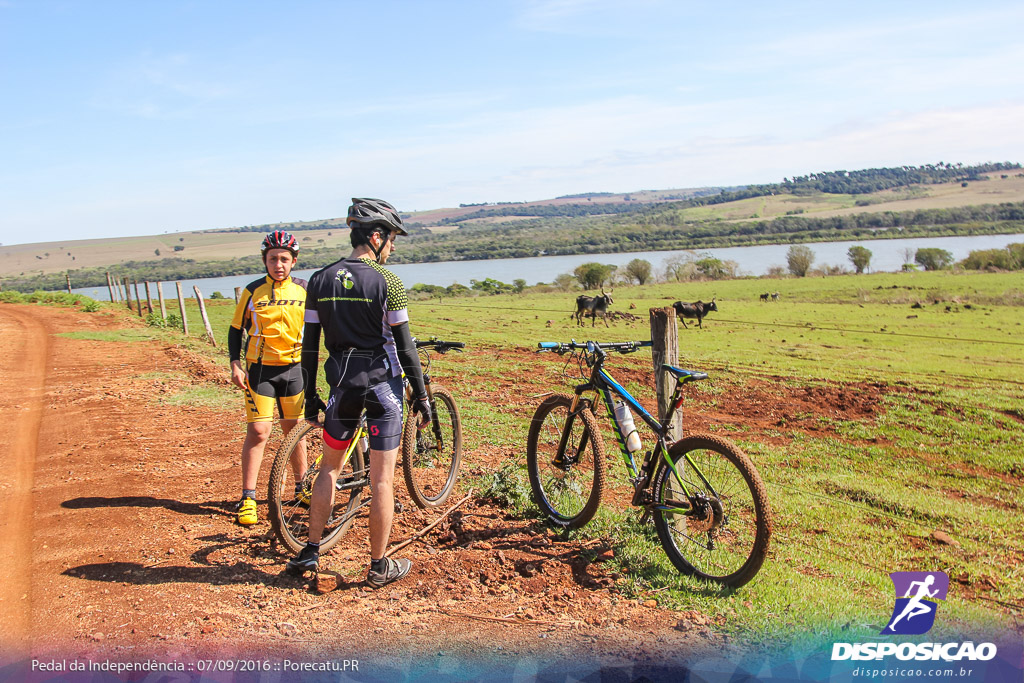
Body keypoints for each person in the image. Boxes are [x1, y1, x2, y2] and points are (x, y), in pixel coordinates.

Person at [288, 198, 430, 587]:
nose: (394, 248)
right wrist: (422, 394)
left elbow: (310, 346)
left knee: (329, 469)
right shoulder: (389, 283)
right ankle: (378, 566)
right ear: (376, 236)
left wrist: (311, 393)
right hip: (383, 389)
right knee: (382, 481)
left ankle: (311, 550)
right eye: (392, 239)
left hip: (341, 388)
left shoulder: (318, 280)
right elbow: (405, 348)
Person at [227, 231, 308, 526]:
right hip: (260, 370)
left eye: (284, 259)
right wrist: (235, 363)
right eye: (272, 258)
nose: (278, 264)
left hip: (295, 369)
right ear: (265, 260)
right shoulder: (253, 291)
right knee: (260, 431)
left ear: (294, 261)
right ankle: (248, 498)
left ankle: (302, 488)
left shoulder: (305, 290)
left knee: (295, 430)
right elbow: (236, 329)